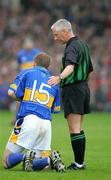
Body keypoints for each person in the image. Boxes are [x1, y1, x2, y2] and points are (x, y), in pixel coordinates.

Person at [3, 53, 65, 172]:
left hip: (28, 119)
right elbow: (55, 109)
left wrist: (25, 99)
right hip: (46, 124)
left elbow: (11, 93)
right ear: (48, 66)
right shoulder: (54, 82)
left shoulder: (27, 72)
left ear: (34, 63)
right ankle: (49, 160)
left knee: (6, 160)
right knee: (42, 166)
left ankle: (25, 156)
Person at [48, 19, 93, 170]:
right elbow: (89, 69)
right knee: (78, 128)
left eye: (56, 34)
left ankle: (79, 164)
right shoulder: (83, 45)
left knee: (74, 129)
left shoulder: (72, 46)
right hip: (83, 88)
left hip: (73, 89)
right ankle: (80, 162)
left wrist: (59, 77)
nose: (55, 38)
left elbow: (70, 67)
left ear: (65, 31)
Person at [11, 38, 42, 125]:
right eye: (27, 43)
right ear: (24, 45)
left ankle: (35, 117)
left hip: (34, 79)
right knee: (19, 98)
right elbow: (18, 66)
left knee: (34, 98)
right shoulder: (20, 54)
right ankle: (15, 118)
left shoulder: (37, 53)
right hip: (23, 79)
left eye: (30, 43)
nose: (28, 45)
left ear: (32, 44)